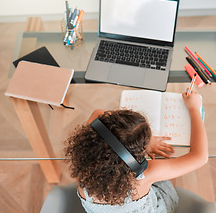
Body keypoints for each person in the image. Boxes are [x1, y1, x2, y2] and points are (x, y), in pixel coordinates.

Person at [64, 90, 208, 213]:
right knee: (167, 157)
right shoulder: (146, 174)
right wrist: (194, 109)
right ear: (134, 159)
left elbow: (97, 114)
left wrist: (135, 141)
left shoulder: (84, 165)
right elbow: (200, 157)